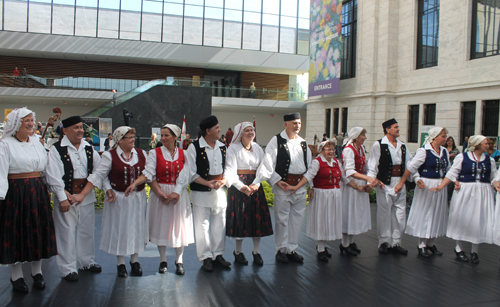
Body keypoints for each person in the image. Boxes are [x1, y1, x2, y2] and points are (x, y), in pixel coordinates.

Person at [76, 126, 148, 278]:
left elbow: (149, 173)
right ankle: (120, 263)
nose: (133, 139)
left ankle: (135, 261)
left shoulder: (141, 154)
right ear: (120, 141)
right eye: (129, 137)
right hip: (119, 198)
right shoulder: (110, 155)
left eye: (133, 136)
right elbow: (100, 175)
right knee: (120, 229)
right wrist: (104, 189)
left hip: (138, 198)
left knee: (137, 227)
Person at [0, 107, 58, 293]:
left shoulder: (36, 142)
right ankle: (16, 275)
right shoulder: (5, 144)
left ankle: (37, 272)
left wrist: (54, 189)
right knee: (16, 232)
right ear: (17, 123)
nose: (31, 124)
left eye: (32, 120)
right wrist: (1, 195)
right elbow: (1, 172)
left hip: (37, 191)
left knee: (36, 229)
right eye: (27, 120)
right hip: (16, 192)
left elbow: (46, 168)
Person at [125, 124, 194, 275]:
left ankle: (179, 260)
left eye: (166, 135)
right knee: (161, 226)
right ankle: (163, 260)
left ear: (175, 137)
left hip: (178, 194)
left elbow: (186, 174)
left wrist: (176, 192)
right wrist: (159, 193)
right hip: (160, 193)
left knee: (178, 227)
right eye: (161, 135)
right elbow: (149, 174)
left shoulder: (184, 154)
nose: (163, 138)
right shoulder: (154, 153)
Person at [289, 140, 367, 261]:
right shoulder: (317, 162)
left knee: (329, 221)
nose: (331, 152)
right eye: (328, 149)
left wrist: (358, 187)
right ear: (322, 150)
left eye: (332, 149)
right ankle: (321, 248)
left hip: (334, 196)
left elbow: (344, 179)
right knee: (321, 221)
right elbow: (309, 176)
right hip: (322, 196)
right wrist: (297, 187)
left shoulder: (336, 162)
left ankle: (324, 247)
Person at [46, 115, 102, 282]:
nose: (80, 130)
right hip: (67, 198)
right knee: (66, 233)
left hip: (86, 196)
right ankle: (68, 268)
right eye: (76, 127)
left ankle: (86, 261)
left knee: (86, 231)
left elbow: (99, 172)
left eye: (80, 127)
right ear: (65, 130)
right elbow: (53, 176)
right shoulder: (56, 149)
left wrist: (84, 193)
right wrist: (63, 197)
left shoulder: (88, 148)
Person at [255, 112, 312, 263]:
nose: (297, 126)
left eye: (299, 123)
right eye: (294, 123)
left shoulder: (303, 142)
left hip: (299, 186)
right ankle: (281, 249)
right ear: (285, 124)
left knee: (297, 220)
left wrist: (309, 186)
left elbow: (309, 166)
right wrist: (277, 181)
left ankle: (292, 249)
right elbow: (268, 163)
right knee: (282, 219)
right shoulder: (277, 140)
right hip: (284, 186)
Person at [431, 135, 497, 264]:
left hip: (483, 192)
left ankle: (475, 251)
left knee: (479, 220)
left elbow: (493, 176)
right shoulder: (462, 157)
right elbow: (452, 173)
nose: (487, 145)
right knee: (463, 218)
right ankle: (459, 248)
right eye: (485, 143)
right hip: (466, 191)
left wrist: (495, 183)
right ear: (477, 144)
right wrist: (441, 186)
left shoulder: (490, 160)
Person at [394, 127, 450, 257]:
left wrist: (453, 180)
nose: (445, 139)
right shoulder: (424, 151)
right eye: (443, 136)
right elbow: (412, 167)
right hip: (427, 185)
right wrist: (409, 180)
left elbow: (448, 168)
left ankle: (431, 242)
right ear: (435, 137)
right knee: (426, 212)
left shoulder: (444, 151)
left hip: (440, 185)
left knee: (437, 213)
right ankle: (422, 244)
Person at [223, 122, 273, 265]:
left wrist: (257, 183)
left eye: (252, 130)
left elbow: (264, 167)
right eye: (247, 130)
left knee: (256, 218)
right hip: (238, 184)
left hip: (254, 184)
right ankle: (238, 251)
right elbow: (229, 168)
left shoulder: (257, 148)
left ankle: (256, 252)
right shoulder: (233, 148)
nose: (251, 132)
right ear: (240, 133)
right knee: (241, 217)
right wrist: (240, 186)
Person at [187, 115, 231, 272]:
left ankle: (218, 254)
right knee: (202, 226)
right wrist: (207, 183)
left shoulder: (222, 146)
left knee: (220, 224)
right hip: (201, 192)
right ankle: (205, 257)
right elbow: (191, 172)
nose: (220, 130)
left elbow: (229, 168)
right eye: (217, 128)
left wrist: (224, 180)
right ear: (208, 130)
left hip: (219, 192)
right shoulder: (194, 147)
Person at [367, 118, 412, 255]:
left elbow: (410, 165)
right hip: (385, 184)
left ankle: (396, 242)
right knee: (384, 214)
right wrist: (371, 181)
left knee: (400, 214)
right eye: (396, 127)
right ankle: (384, 242)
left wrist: (413, 179)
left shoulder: (402, 145)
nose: (398, 129)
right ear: (388, 129)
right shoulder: (379, 145)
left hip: (400, 182)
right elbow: (372, 165)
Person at [341, 127, 381, 255]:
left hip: (360, 182)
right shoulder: (348, 150)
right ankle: (344, 243)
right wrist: (367, 178)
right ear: (357, 136)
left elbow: (365, 166)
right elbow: (349, 171)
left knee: (356, 212)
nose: (365, 137)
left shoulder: (361, 149)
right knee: (349, 212)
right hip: (351, 184)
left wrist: (369, 181)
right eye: (363, 135)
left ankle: (351, 241)